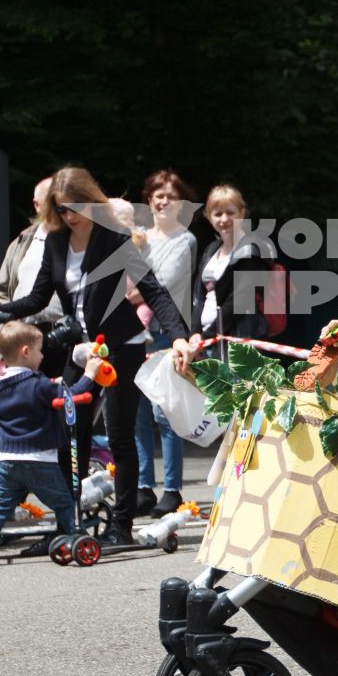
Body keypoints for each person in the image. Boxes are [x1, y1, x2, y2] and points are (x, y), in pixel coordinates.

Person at [0, 166, 191, 538]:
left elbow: (153, 290)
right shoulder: (56, 241)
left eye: (76, 207)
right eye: (62, 208)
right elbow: (37, 297)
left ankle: (121, 523)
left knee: (120, 435)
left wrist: (179, 336)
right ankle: (70, 520)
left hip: (122, 346)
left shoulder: (113, 239)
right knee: (72, 428)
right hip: (82, 349)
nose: (69, 215)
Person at [0, 322, 104, 566]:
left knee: (0, 506)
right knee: (64, 502)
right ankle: (78, 537)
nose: (42, 355)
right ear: (25, 352)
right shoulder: (37, 383)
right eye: (39, 350)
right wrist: (90, 374)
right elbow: (70, 396)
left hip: (7, 460)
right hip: (39, 459)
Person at [130, 169, 199, 517]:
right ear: (149, 199)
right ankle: (144, 486)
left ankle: (171, 489)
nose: (163, 200)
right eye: (158, 194)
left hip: (166, 333)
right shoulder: (138, 237)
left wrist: (134, 287)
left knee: (165, 412)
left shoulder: (184, 241)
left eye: (170, 195)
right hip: (135, 332)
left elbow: (164, 283)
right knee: (139, 412)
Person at [0, 177, 68, 373]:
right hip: (22, 336)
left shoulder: (73, 238)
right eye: (51, 200)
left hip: (60, 334)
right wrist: (6, 327)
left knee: (60, 398)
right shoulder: (22, 240)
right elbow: (2, 288)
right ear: (37, 205)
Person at [190, 185, 278, 343]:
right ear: (209, 217)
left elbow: (239, 302)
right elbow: (198, 294)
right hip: (205, 341)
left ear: (242, 213)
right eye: (217, 214)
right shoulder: (211, 249)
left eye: (230, 213)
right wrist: (195, 332)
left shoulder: (251, 251)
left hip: (236, 341)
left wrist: (207, 336)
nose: (224, 219)